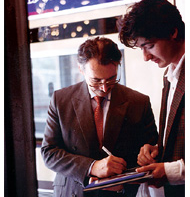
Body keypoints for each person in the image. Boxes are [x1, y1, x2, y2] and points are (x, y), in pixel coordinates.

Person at [41, 36, 158, 197]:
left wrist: (145, 158)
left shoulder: (139, 102)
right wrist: (91, 167)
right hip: (73, 191)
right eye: (96, 81)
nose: (104, 88)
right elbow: (49, 152)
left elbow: (151, 152)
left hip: (121, 193)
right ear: (81, 69)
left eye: (111, 79)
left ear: (118, 66)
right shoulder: (60, 99)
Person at [118, 0, 185, 196]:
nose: (145, 57)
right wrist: (159, 150)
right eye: (141, 48)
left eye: (149, 45)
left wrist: (169, 171)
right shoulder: (171, 75)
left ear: (173, 32)